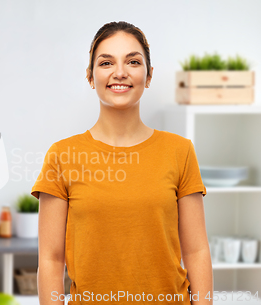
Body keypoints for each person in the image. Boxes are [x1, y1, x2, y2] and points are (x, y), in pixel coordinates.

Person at [31, 21, 213, 305]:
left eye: (133, 61)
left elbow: (197, 251)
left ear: (149, 75)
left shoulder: (180, 151)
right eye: (106, 63)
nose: (120, 72)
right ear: (90, 76)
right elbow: (51, 260)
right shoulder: (62, 156)